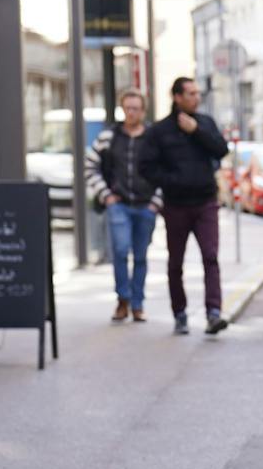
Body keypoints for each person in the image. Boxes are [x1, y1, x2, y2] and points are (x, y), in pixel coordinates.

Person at [143, 77, 228, 335]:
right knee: (175, 263)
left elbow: (221, 150)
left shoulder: (205, 123)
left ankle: (214, 313)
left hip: (205, 202)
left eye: (197, 93)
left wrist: (197, 131)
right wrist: (171, 182)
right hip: (176, 205)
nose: (196, 97)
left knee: (211, 257)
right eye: (190, 93)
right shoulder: (160, 130)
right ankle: (179, 313)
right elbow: (145, 166)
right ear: (177, 97)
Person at [85, 89, 160, 323]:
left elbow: (167, 171)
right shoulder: (109, 137)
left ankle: (138, 304)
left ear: (143, 110)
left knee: (140, 256)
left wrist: (157, 202)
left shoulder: (153, 138)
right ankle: (123, 300)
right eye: (127, 108)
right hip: (118, 204)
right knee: (119, 250)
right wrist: (105, 195)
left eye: (135, 108)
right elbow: (90, 165)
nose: (131, 113)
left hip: (146, 205)